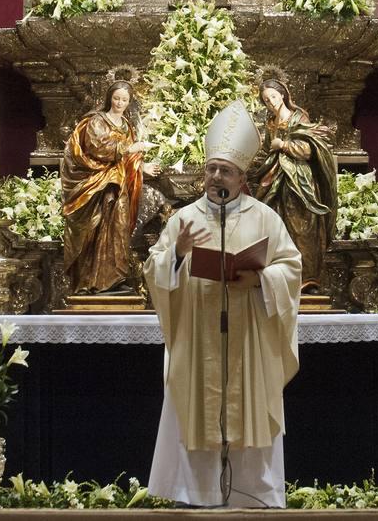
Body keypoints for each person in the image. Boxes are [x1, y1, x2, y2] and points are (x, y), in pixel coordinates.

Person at [144, 101, 303, 507]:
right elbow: (154, 271)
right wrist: (177, 255)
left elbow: (291, 267)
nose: (216, 176)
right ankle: (195, 496)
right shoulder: (183, 218)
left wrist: (261, 278)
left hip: (248, 340)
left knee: (247, 420)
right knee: (195, 416)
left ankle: (250, 499)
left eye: (225, 170)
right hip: (198, 340)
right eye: (212, 168)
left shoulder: (265, 217)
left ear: (241, 176)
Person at [61, 80, 161, 294]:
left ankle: (114, 278)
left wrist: (142, 167)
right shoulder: (97, 121)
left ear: (129, 101)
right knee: (98, 229)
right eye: (116, 98)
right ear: (109, 98)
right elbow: (97, 147)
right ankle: (92, 281)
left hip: (119, 185)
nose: (120, 102)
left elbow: (128, 160)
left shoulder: (126, 124)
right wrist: (130, 147)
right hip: (98, 186)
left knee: (119, 228)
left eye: (124, 99)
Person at [250, 79, 337, 294]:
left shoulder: (299, 117)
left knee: (302, 228)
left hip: (298, 181)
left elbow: (308, 150)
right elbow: (266, 151)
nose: (270, 102)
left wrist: (284, 145)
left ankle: (306, 278)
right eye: (266, 100)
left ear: (283, 94)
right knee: (274, 225)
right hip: (274, 181)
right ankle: (276, 275)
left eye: (273, 96)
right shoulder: (271, 123)